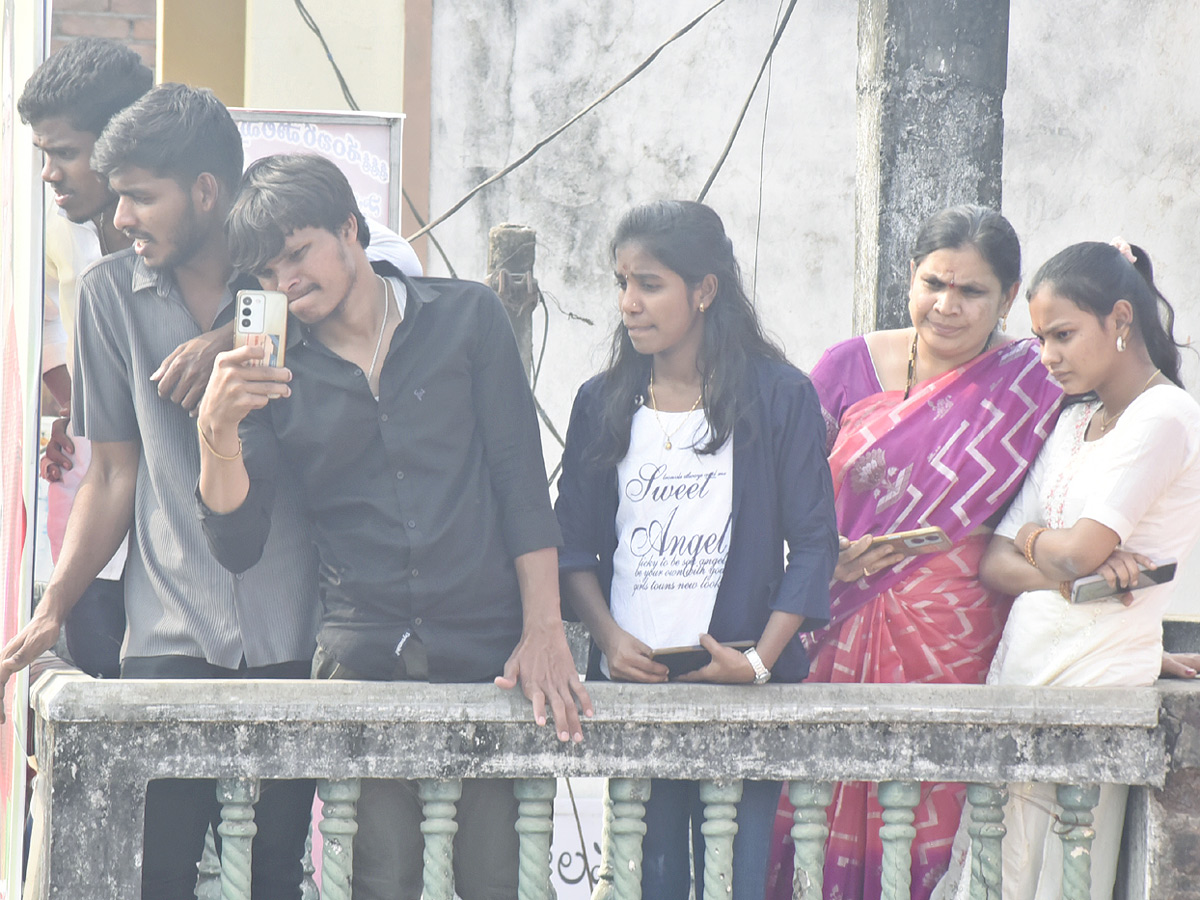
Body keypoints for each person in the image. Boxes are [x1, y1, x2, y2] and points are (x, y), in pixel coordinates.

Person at [195, 152, 592, 900]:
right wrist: (216, 432)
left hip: (490, 655)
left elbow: (520, 481)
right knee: (381, 881)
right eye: (268, 273)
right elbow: (238, 541)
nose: (286, 282)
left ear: (351, 228)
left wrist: (545, 629)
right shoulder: (274, 372)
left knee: (495, 879)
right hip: (361, 656)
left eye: (297, 253)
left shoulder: (466, 317)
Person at [0, 84, 321, 900]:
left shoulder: (290, 282)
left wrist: (237, 333)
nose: (126, 215)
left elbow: (378, 262)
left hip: (294, 632)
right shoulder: (106, 297)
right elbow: (113, 473)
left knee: (273, 879)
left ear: (206, 192)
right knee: (158, 877)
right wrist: (53, 608)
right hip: (167, 633)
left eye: (143, 196)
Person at [766, 205, 1065, 900]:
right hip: (833, 630)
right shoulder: (847, 367)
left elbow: (1070, 499)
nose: (948, 306)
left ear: (1009, 297)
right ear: (910, 276)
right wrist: (821, 551)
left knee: (933, 826)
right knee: (809, 808)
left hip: (957, 644)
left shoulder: (1033, 385)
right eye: (934, 283)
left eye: (972, 292)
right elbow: (780, 496)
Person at [554, 199, 838, 900]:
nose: (628, 303)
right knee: (650, 881)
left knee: (737, 881)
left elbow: (813, 543)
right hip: (639, 684)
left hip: (741, 691)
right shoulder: (603, 400)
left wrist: (758, 662)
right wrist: (609, 638)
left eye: (649, 284)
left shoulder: (778, 397)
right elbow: (573, 545)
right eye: (622, 283)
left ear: (704, 290)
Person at [934, 240, 1200, 900]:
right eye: (1039, 338)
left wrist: (1035, 541)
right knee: (992, 877)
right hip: (1025, 669)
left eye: (1062, 335)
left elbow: (1079, 551)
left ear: (1119, 320)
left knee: (1052, 880)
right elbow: (995, 564)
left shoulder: (1165, 417)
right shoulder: (1074, 422)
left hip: (1090, 681)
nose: (1046, 356)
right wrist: (1059, 563)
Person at [18, 37, 153, 678]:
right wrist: (70, 408)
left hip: (182, 555)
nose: (49, 174)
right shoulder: (63, 239)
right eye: (45, 155)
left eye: (65, 154)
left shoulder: (194, 248)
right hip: (95, 523)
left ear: (118, 143)